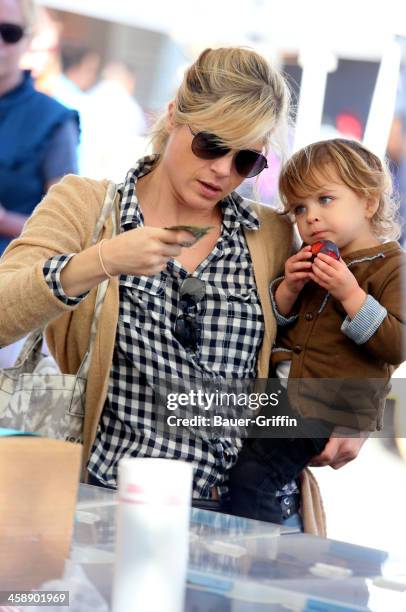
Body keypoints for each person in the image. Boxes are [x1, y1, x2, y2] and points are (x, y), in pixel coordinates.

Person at [0, 48, 360, 536]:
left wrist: (351, 409)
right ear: (174, 115)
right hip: (112, 513)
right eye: (211, 144)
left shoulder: (272, 233)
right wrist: (101, 262)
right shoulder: (86, 207)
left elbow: (350, 321)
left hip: (247, 518)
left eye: (246, 159)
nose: (222, 171)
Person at [229, 138, 406, 524]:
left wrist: (350, 294)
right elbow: (280, 327)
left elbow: (396, 344)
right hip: (285, 397)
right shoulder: (309, 257)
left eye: (325, 200)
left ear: (368, 202)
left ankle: (250, 558)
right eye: (299, 208)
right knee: (245, 469)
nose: (310, 217)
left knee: (253, 480)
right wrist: (288, 290)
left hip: (327, 406)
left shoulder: (392, 266)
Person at [0, 0, 80, 255]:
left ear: (28, 39)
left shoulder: (53, 120)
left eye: (9, 33)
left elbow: (65, 227)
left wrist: (4, 220)